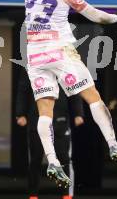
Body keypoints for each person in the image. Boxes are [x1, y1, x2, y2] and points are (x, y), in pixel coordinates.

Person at [24, 0, 117, 188]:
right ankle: (113, 144)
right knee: (92, 96)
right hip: (59, 49)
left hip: (34, 52)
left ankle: (52, 161)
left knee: (45, 110)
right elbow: (96, 16)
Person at [16, 66, 84, 199]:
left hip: (60, 120)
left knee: (64, 159)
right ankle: (33, 195)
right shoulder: (31, 64)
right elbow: (23, 89)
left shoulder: (64, 64)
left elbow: (74, 89)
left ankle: (66, 196)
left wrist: (78, 112)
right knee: (35, 160)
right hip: (37, 119)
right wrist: (20, 113)